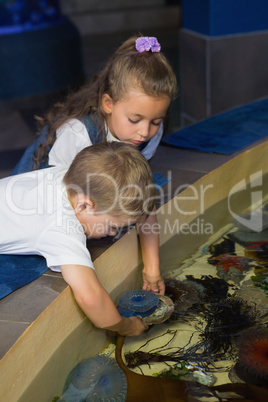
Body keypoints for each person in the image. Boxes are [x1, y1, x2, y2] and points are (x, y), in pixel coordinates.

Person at [11, 34, 176, 294]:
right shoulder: (77, 134)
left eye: (155, 122)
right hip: (45, 189)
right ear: (108, 104)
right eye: (135, 119)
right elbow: (60, 202)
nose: (145, 132)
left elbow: (139, 193)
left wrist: (151, 267)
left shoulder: (147, 131)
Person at [1, 142, 156, 336]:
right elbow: (91, 297)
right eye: (112, 226)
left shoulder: (71, 177)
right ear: (83, 206)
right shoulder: (61, 226)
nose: (112, 234)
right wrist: (125, 326)